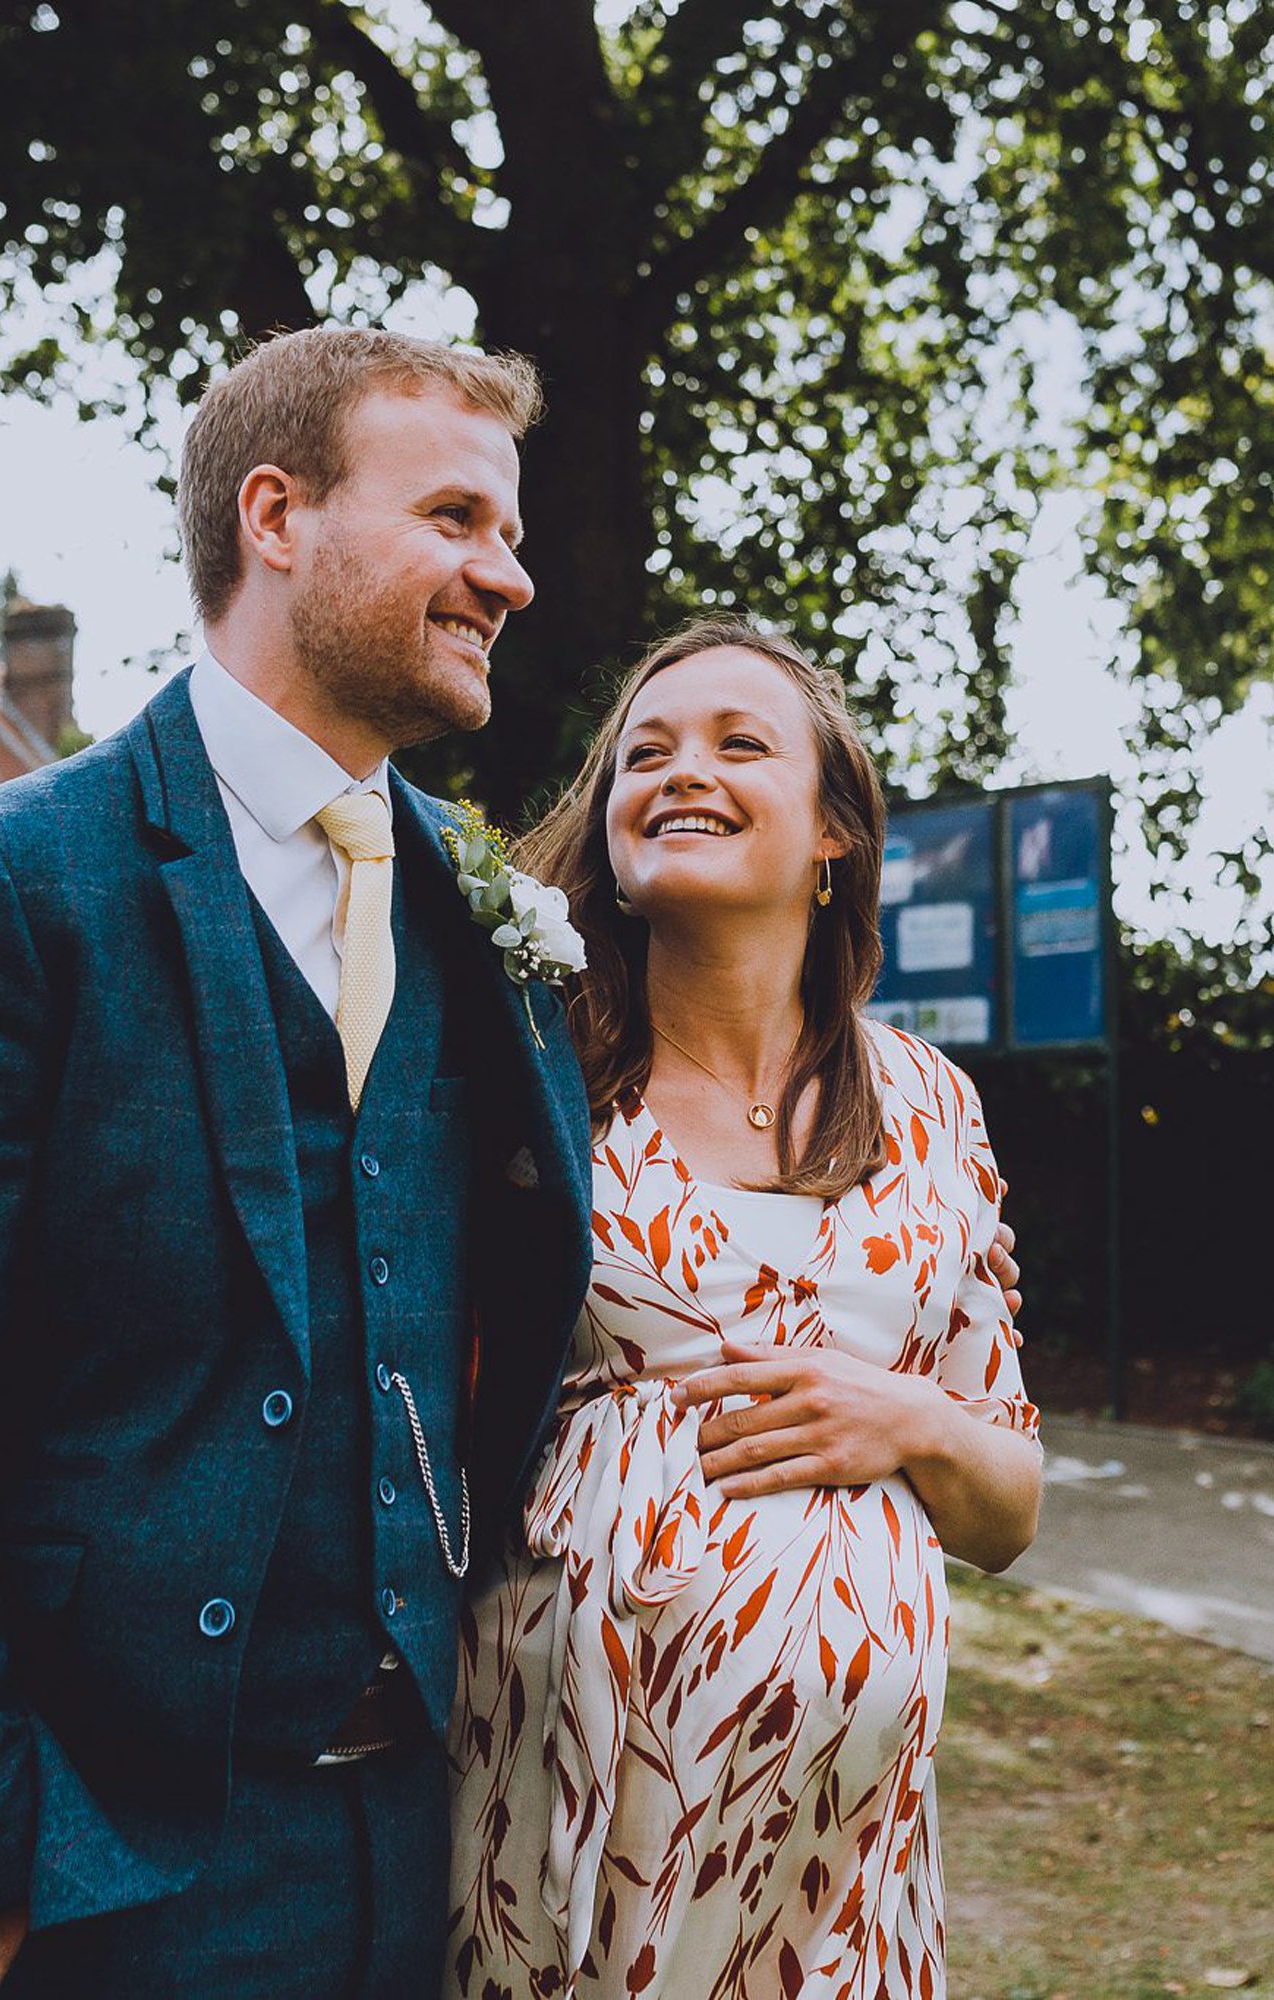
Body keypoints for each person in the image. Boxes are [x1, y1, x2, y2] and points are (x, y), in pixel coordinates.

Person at [0, 326, 602, 2000]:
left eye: (507, 535)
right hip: (99, 1871)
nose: (506, 577)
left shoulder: (475, 896)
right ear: (278, 517)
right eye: (455, 519)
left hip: (425, 1843)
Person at [449, 619, 1045, 2000]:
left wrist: (908, 1417)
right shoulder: (523, 1080)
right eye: (642, 754)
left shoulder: (930, 1109)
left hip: (838, 1863)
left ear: (834, 827)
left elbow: (1009, 1509)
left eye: (737, 742)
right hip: (566, 1833)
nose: (680, 772)